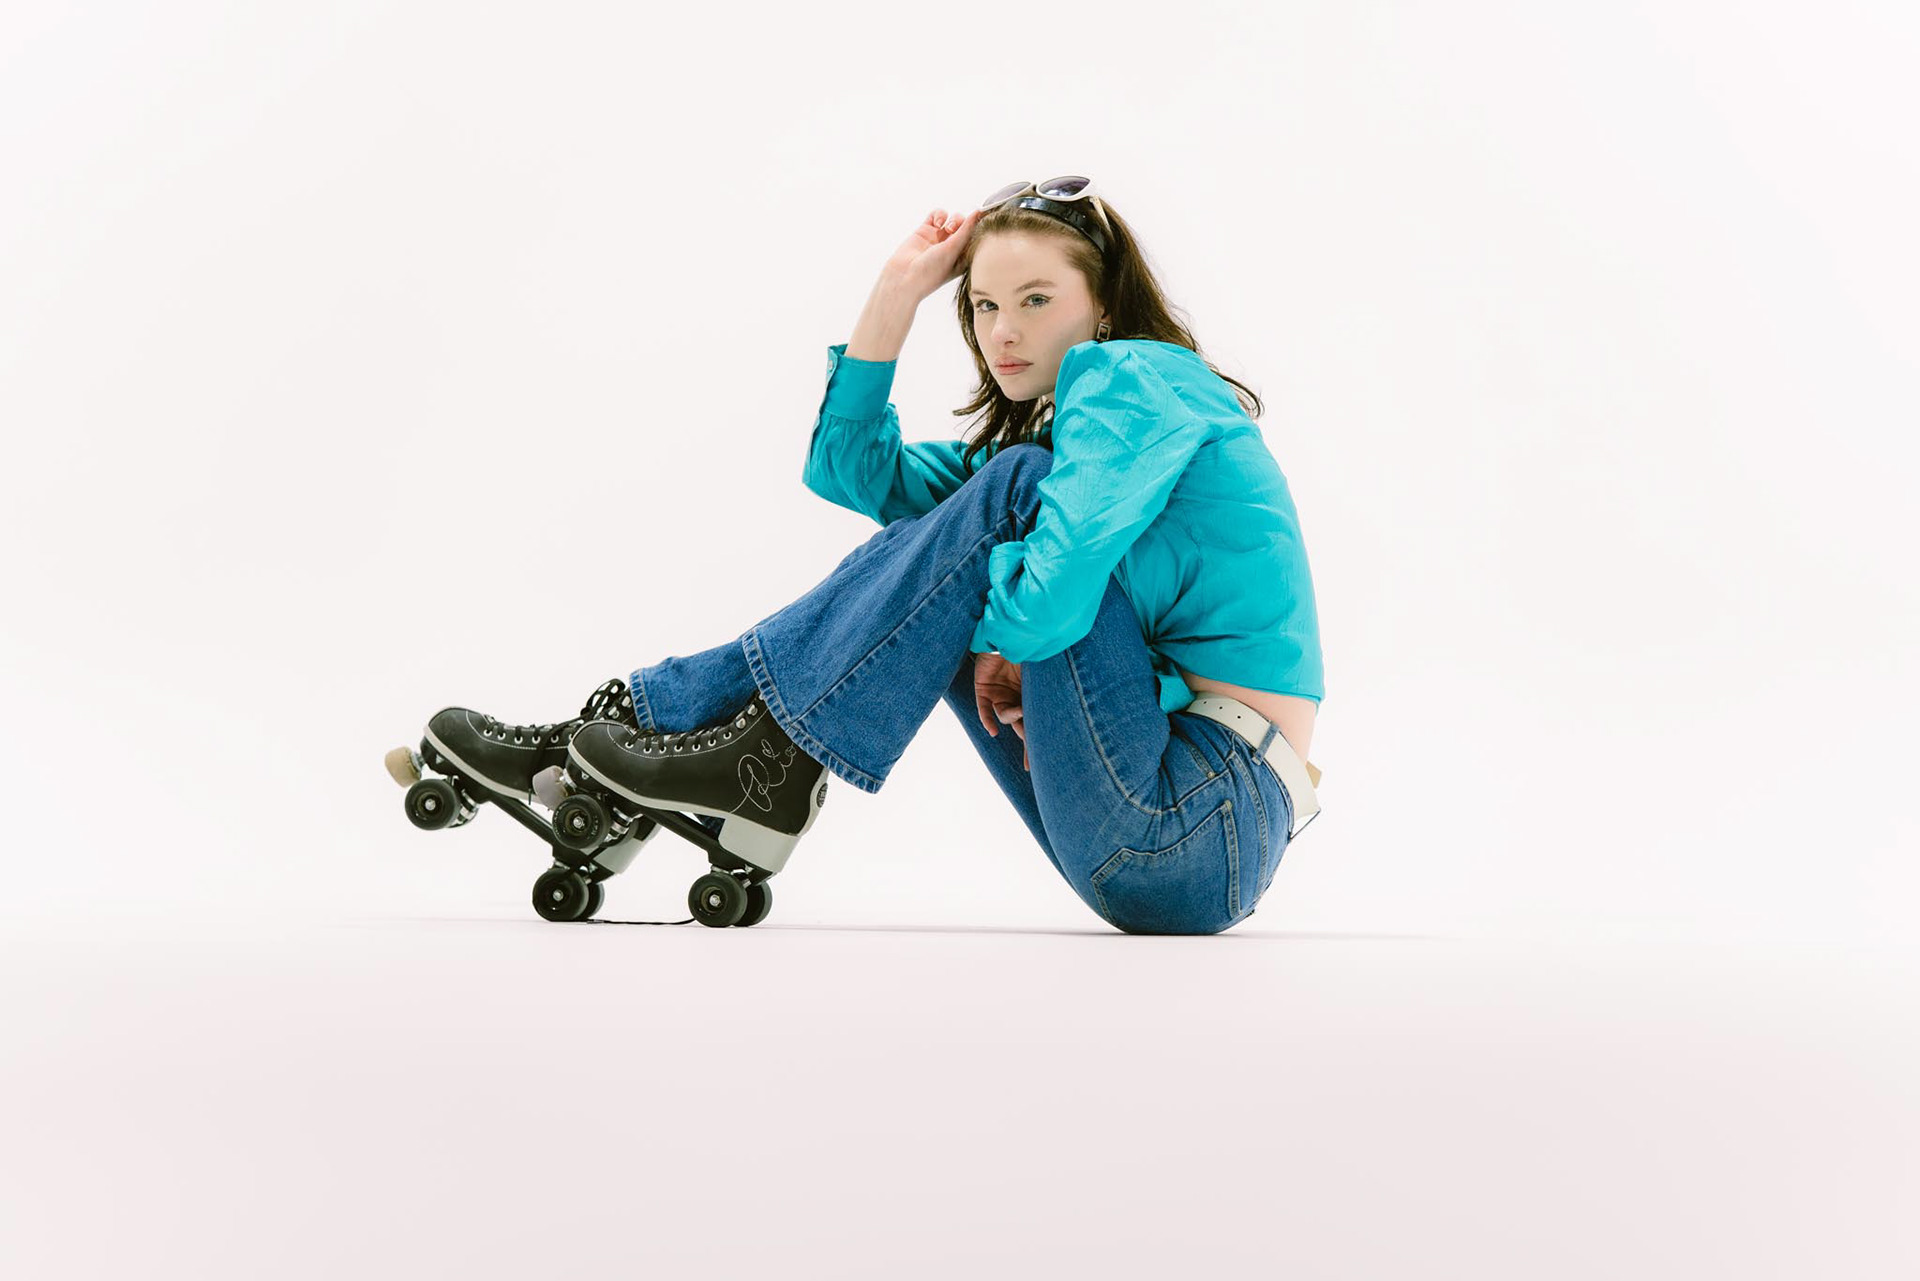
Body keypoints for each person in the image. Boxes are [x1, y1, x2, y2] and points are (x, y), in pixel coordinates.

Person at [417, 177, 1324, 934]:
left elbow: (1045, 606)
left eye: (1037, 300)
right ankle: (664, 749)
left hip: (1199, 812)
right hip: (1164, 846)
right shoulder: (1073, 453)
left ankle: (705, 743)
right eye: (983, 306)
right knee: (939, 548)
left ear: (1105, 306)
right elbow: (852, 467)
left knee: (998, 503)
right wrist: (899, 288)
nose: (1003, 332)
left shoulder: (1132, 380)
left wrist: (998, 636)